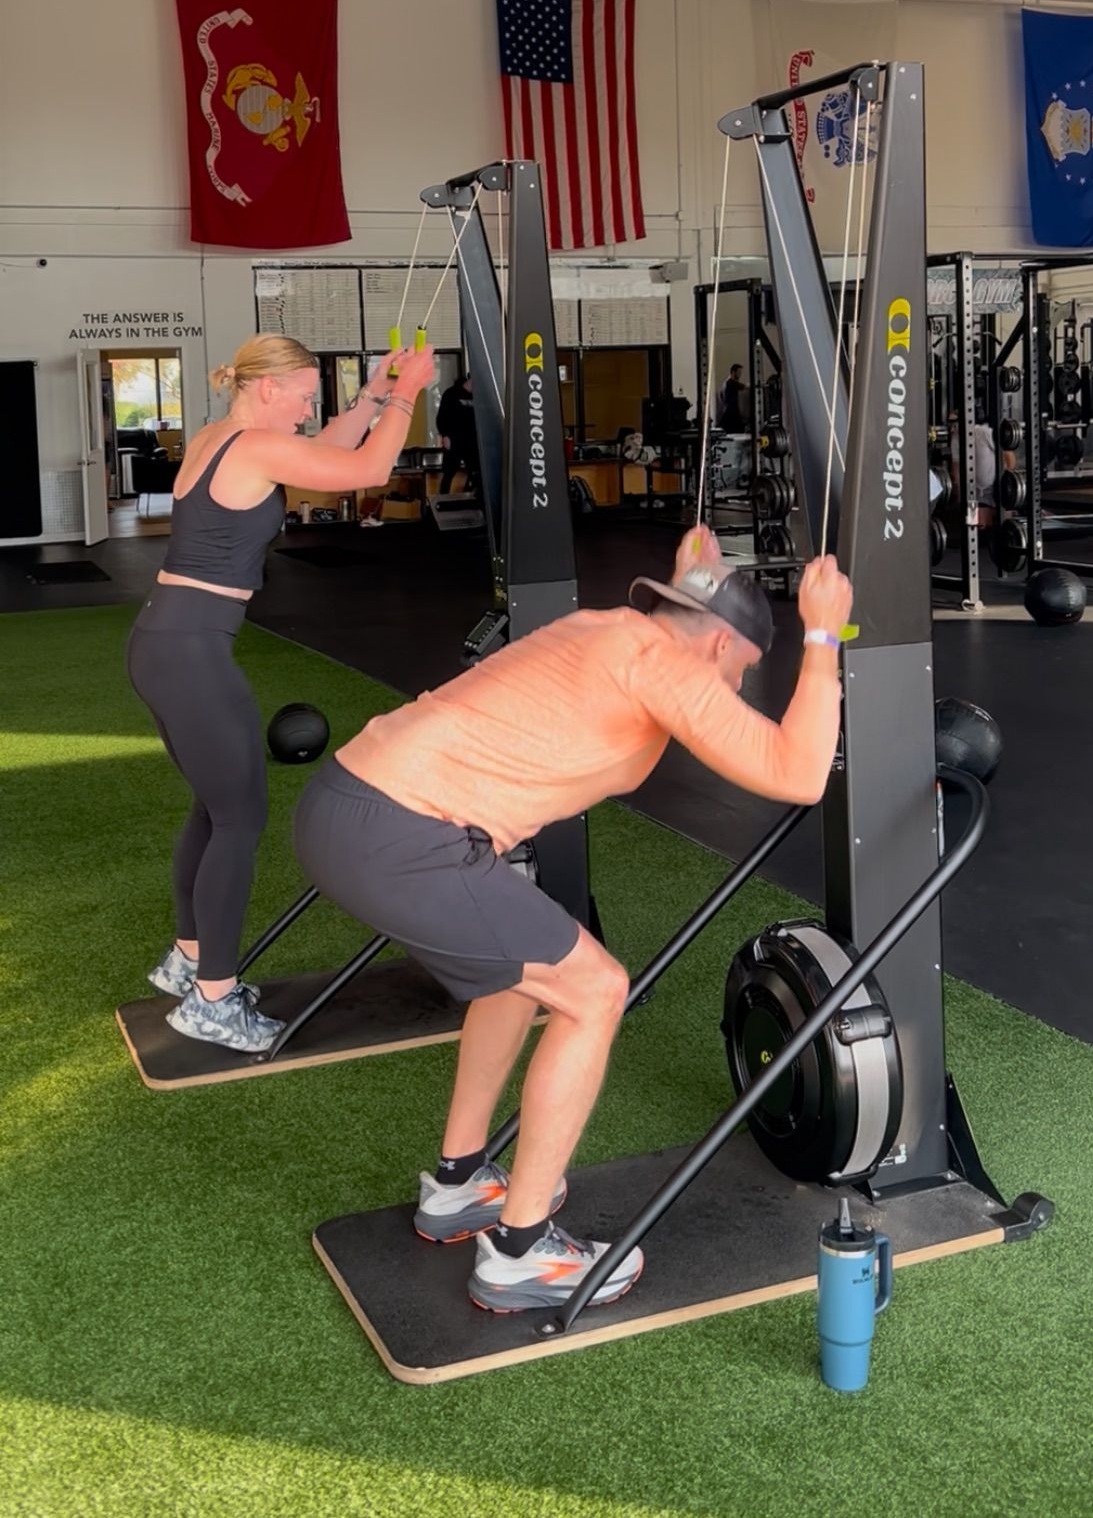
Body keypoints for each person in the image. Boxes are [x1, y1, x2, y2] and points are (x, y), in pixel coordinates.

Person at [293, 527, 852, 1313]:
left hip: (349, 803)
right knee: (595, 988)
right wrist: (823, 630)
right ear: (722, 643)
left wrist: (693, 573)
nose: (735, 683)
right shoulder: (663, 663)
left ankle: (460, 1183)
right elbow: (797, 772)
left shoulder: (607, 630)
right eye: (744, 668)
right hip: (401, 831)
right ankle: (520, 1251)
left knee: (520, 975)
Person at [127, 333, 436, 1054]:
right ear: (268, 389)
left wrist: (366, 397)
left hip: (163, 639)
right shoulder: (256, 449)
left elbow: (325, 451)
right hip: (192, 651)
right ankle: (213, 997)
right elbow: (365, 467)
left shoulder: (221, 436)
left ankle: (188, 959)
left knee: (215, 806)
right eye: (302, 395)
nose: (307, 409)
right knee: (240, 817)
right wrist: (405, 390)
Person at [948, 412, 1014, 528]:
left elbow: (1009, 455)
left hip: (996, 488)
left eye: (955, 424)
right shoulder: (955, 439)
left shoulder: (984, 432)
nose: (953, 428)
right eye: (951, 425)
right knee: (975, 526)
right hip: (975, 493)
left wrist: (1009, 482)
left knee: (1004, 523)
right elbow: (956, 470)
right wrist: (960, 497)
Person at [436, 371, 478, 495]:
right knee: (449, 472)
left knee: (475, 471)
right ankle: (443, 499)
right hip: (454, 439)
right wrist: (445, 435)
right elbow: (441, 417)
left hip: (472, 441)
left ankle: (475, 498)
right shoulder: (452, 394)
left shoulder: (479, 396)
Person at [718, 364, 746, 433]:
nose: (740, 374)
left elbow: (721, 395)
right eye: (739, 372)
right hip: (731, 414)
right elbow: (745, 386)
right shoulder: (731, 383)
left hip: (729, 412)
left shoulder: (726, 383)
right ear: (733, 372)